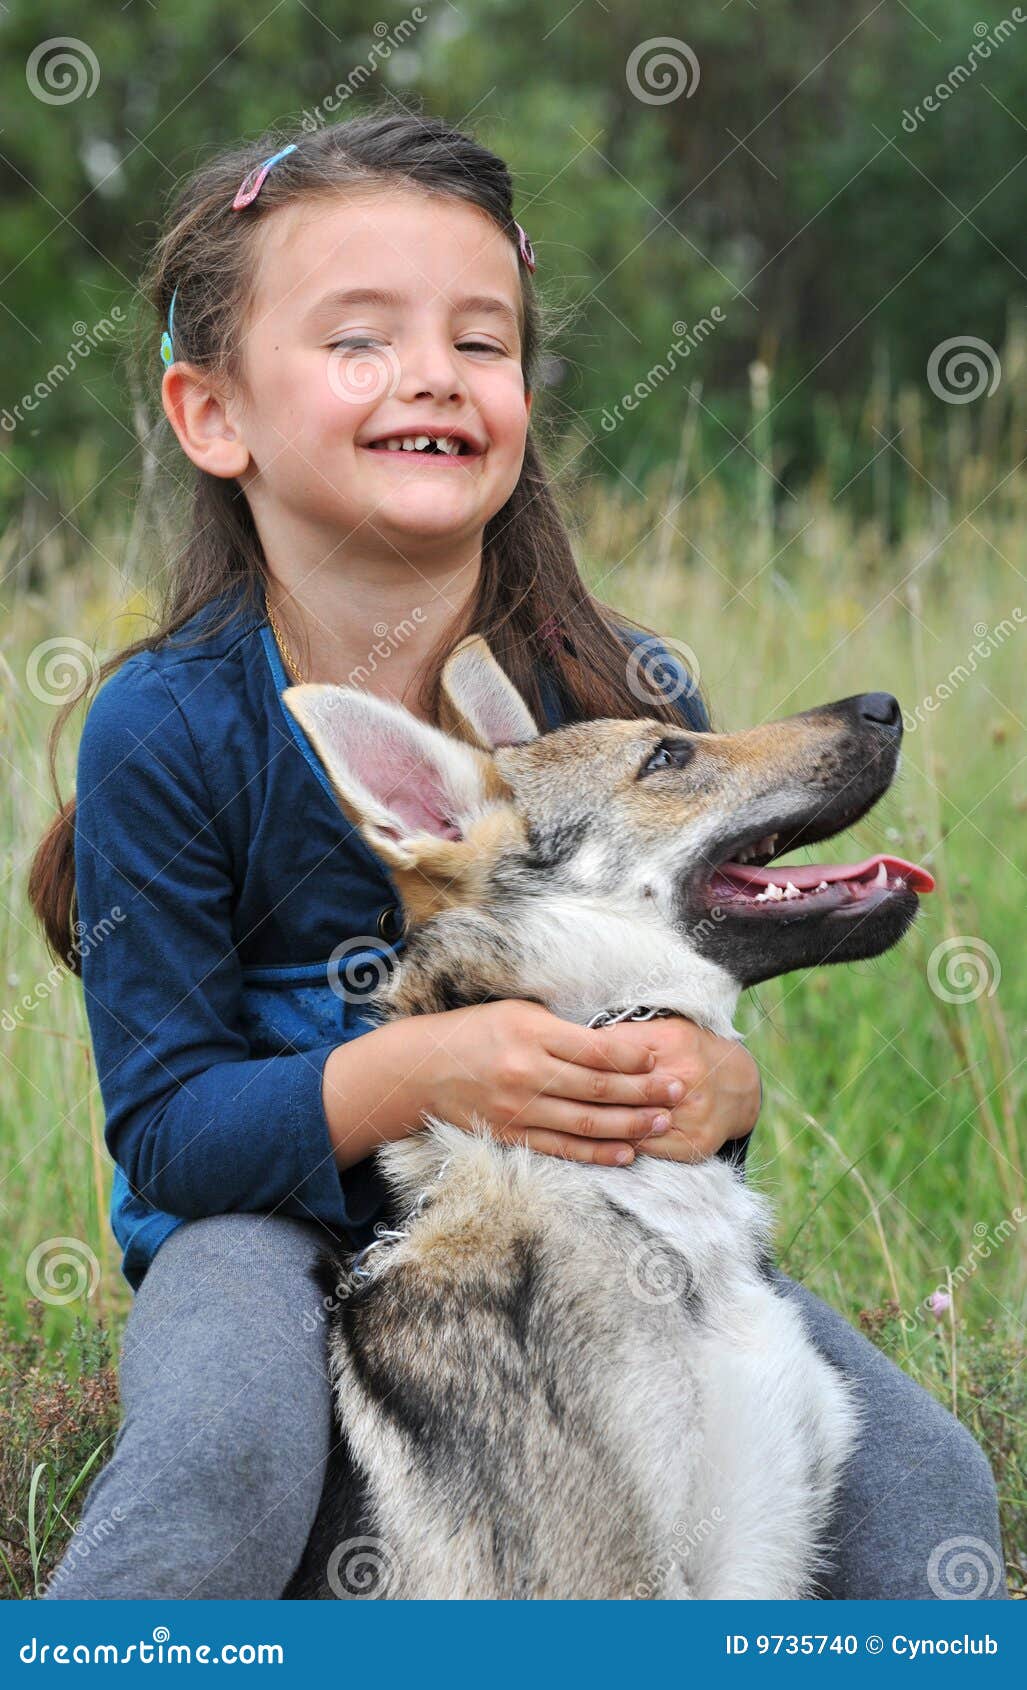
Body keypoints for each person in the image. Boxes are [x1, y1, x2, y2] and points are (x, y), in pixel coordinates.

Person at [30, 105, 1004, 1601]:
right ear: (211, 412)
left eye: (481, 342)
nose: (432, 371)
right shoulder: (167, 724)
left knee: (927, 1480)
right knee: (221, 1448)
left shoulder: (620, 686)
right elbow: (167, 1129)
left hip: (590, 1225)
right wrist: (428, 1071)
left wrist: (718, 1090)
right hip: (263, 1238)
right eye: (359, 338)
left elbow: (673, 985)